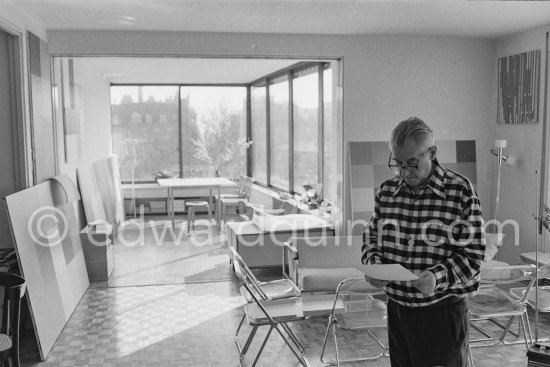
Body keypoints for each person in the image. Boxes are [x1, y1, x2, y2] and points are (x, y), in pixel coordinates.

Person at [361, 117, 485, 367]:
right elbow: (372, 237)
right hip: (397, 310)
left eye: (412, 163)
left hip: (441, 313)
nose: (404, 172)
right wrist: (373, 265)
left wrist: (437, 277)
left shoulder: (459, 190)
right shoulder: (386, 191)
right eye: (397, 163)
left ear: (432, 153)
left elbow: (473, 255)